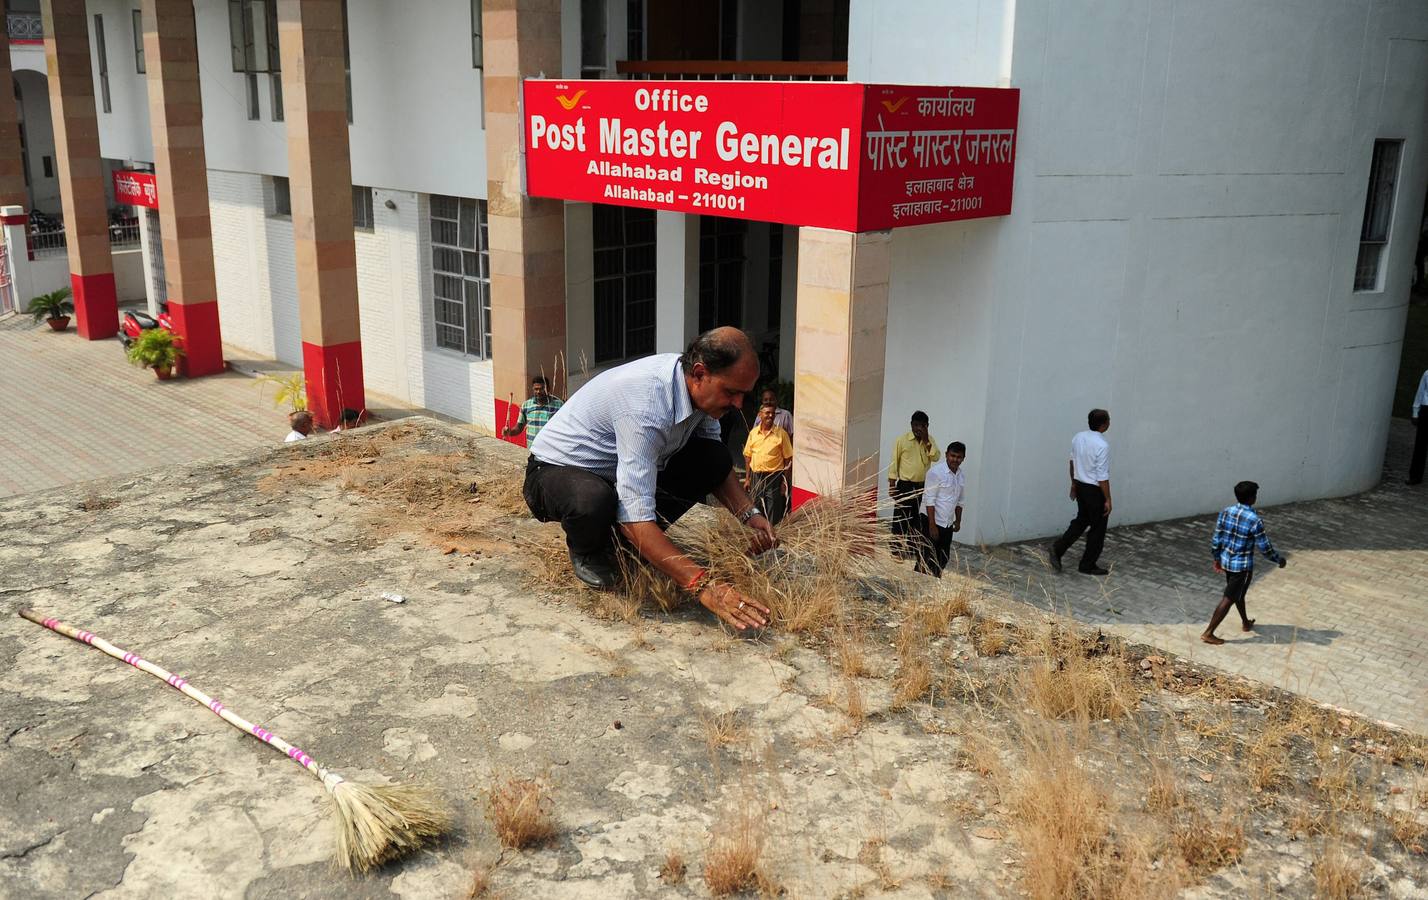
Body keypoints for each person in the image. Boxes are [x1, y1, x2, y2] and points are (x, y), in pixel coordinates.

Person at [524, 327, 775, 631]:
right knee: (592, 501)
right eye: (731, 392)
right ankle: (588, 550)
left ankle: (628, 547)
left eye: (743, 394)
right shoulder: (646, 405)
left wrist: (749, 515)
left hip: (617, 475)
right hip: (555, 472)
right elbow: (634, 516)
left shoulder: (699, 393)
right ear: (699, 373)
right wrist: (703, 586)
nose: (738, 403)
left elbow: (713, 458)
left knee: (714, 457)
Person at [1202, 480, 1287, 645]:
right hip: (1242, 567)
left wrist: (1217, 558)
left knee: (1237, 594)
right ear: (1252, 497)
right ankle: (1208, 632)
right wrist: (1279, 560)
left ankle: (1246, 622)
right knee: (1229, 597)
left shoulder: (1226, 512)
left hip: (1227, 562)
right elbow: (1265, 548)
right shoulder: (1255, 520)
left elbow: (1216, 538)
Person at [1050, 408, 1112, 576]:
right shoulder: (1103, 445)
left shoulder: (1079, 437)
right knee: (1097, 528)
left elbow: (1072, 462)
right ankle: (1087, 564)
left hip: (1080, 486)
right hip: (1094, 490)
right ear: (1104, 424)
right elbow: (1102, 477)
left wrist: (1073, 483)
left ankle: (1058, 548)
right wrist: (1108, 499)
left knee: (1081, 521)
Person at [887, 411, 938, 556]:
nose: (918, 429)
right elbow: (893, 463)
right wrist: (892, 485)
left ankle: (912, 548)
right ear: (911, 425)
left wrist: (926, 440)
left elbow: (935, 457)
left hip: (922, 486)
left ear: (927, 426)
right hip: (904, 485)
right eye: (916, 425)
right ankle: (896, 550)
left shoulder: (929, 441)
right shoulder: (901, 440)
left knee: (918, 518)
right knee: (900, 518)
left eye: (922, 426)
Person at [919, 441, 966, 578]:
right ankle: (918, 583)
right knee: (926, 557)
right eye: (953, 455)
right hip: (931, 521)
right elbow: (930, 501)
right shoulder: (935, 473)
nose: (955, 459)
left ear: (963, 458)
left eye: (959, 457)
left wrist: (958, 521)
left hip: (947, 524)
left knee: (943, 558)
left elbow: (960, 501)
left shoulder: (961, 476)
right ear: (946, 455)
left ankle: (935, 582)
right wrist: (932, 526)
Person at [742, 402, 794, 525]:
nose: (770, 415)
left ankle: (773, 537)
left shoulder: (782, 434)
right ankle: (758, 535)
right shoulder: (753, 433)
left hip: (774, 478)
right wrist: (747, 479)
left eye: (772, 413)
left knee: (773, 510)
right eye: (767, 413)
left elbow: (788, 459)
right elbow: (748, 456)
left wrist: (784, 482)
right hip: (756, 477)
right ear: (760, 415)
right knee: (756, 508)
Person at [504, 375, 564, 444]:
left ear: (548, 389)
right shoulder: (526, 405)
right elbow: (519, 427)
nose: (538, 391)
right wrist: (509, 432)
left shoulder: (559, 405)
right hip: (532, 449)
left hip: (551, 449)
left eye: (542, 389)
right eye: (536, 389)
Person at [1408, 368, 1428, 486]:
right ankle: (1415, 476)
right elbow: (1420, 392)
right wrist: (1415, 412)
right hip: (1426, 411)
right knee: (1420, 445)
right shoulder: (1427, 373)